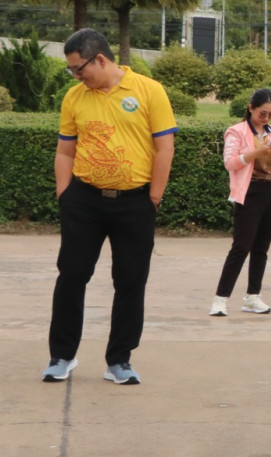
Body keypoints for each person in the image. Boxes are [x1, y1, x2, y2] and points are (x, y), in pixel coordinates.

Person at [44, 28, 176, 385]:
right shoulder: (75, 97)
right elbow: (65, 150)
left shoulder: (149, 91)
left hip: (135, 202)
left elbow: (164, 148)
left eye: (79, 68)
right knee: (72, 275)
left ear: (100, 59)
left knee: (130, 280)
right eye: (72, 70)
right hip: (83, 201)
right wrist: (64, 194)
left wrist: (154, 196)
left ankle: (119, 360)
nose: (76, 76)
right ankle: (62, 355)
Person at [211, 88, 271, 316]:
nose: (266, 118)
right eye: (262, 113)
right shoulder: (236, 131)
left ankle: (253, 296)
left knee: (261, 248)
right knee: (241, 246)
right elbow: (230, 162)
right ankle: (220, 299)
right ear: (251, 108)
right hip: (249, 192)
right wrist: (258, 150)